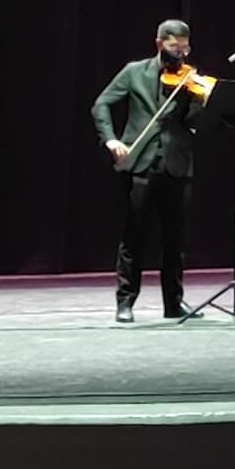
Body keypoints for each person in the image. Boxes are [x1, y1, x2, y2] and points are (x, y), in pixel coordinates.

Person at [91, 19, 204, 323]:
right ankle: (125, 302)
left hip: (177, 165)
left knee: (175, 240)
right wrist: (111, 139)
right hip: (139, 163)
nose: (179, 54)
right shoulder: (134, 72)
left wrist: (200, 102)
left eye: (184, 48)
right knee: (134, 237)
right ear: (158, 43)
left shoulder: (190, 79)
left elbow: (194, 122)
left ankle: (173, 303)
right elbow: (101, 104)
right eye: (173, 47)